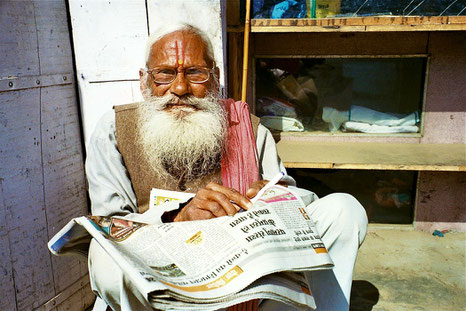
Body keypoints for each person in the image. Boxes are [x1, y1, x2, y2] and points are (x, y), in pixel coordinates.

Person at [86, 23, 368, 311]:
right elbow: (110, 225)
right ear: (144, 82)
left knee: (344, 210)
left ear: (215, 79)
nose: (180, 88)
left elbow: (297, 207)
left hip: (243, 284)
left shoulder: (249, 131)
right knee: (103, 255)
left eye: (195, 73)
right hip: (159, 284)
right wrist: (177, 218)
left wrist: (275, 198)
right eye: (165, 74)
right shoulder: (113, 131)